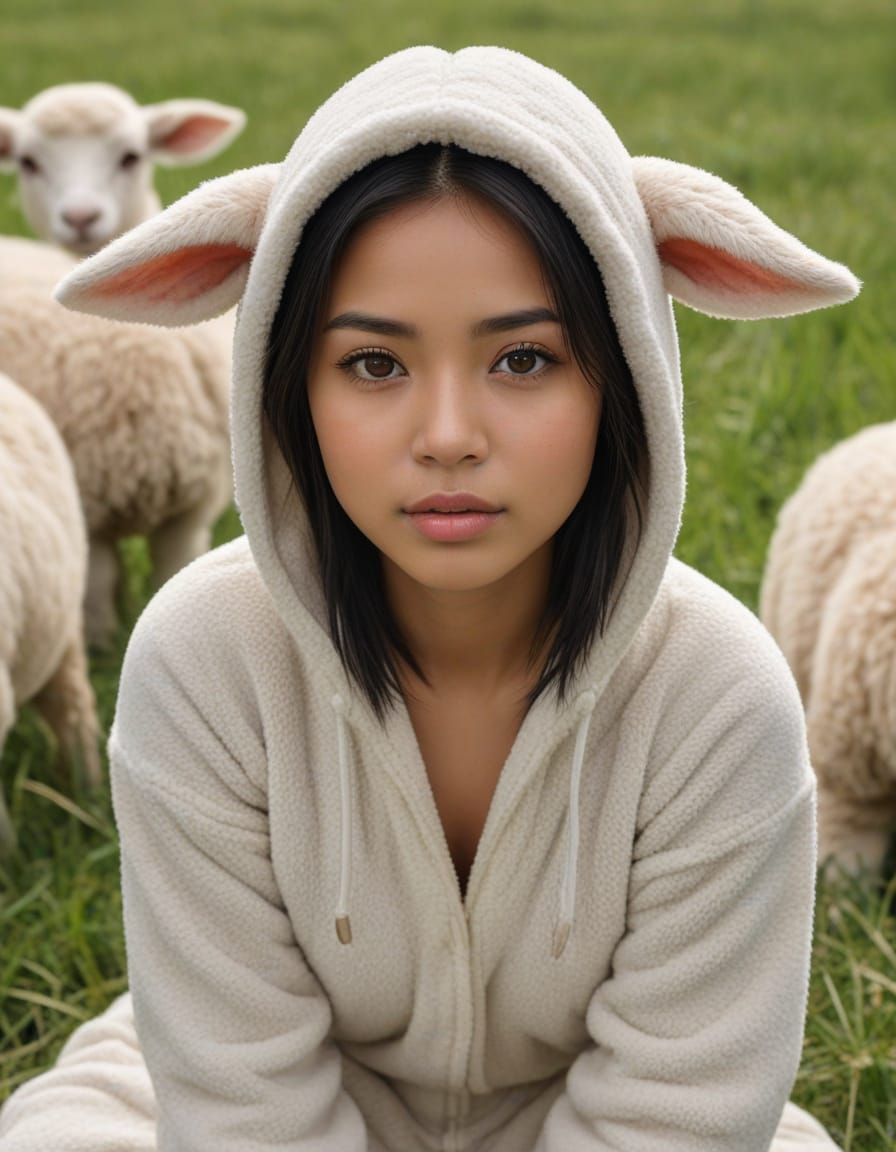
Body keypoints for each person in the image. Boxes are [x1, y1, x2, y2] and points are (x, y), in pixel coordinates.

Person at [0, 44, 860, 1152]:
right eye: (373, 364)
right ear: (286, 382)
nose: (448, 437)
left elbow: (677, 1106)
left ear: (627, 370)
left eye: (524, 360)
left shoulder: (717, 697)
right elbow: (240, 1100)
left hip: (585, 1101)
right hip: (269, 1083)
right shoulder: (204, 661)